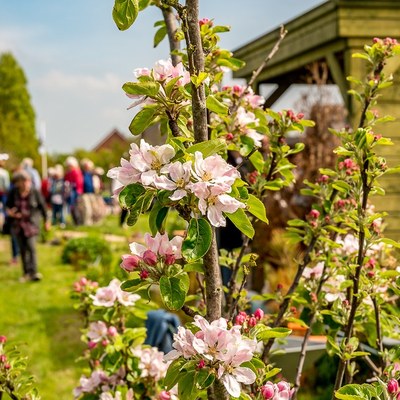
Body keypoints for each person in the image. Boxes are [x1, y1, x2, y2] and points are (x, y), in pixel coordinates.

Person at [5, 171, 50, 282]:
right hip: (18, 224)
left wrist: (46, 221)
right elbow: (7, 207)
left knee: (31, 247)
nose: (25, 184)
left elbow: (43, 207)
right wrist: (11, 213)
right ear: (18, 183)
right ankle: (26, 273)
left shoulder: (34, 192)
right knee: (23, 249)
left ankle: (34, 272)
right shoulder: (13, 193)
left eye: (27, 181)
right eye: (23, 181)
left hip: (31, 223)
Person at [64, 156, 83, 225]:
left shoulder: (76, 172)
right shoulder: (70, 172)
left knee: (75, 207)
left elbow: (78, 183)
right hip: (71, 191)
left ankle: (78, 222)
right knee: (72, 207)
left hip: (75, 192)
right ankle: (75, 222)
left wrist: (77, 190)